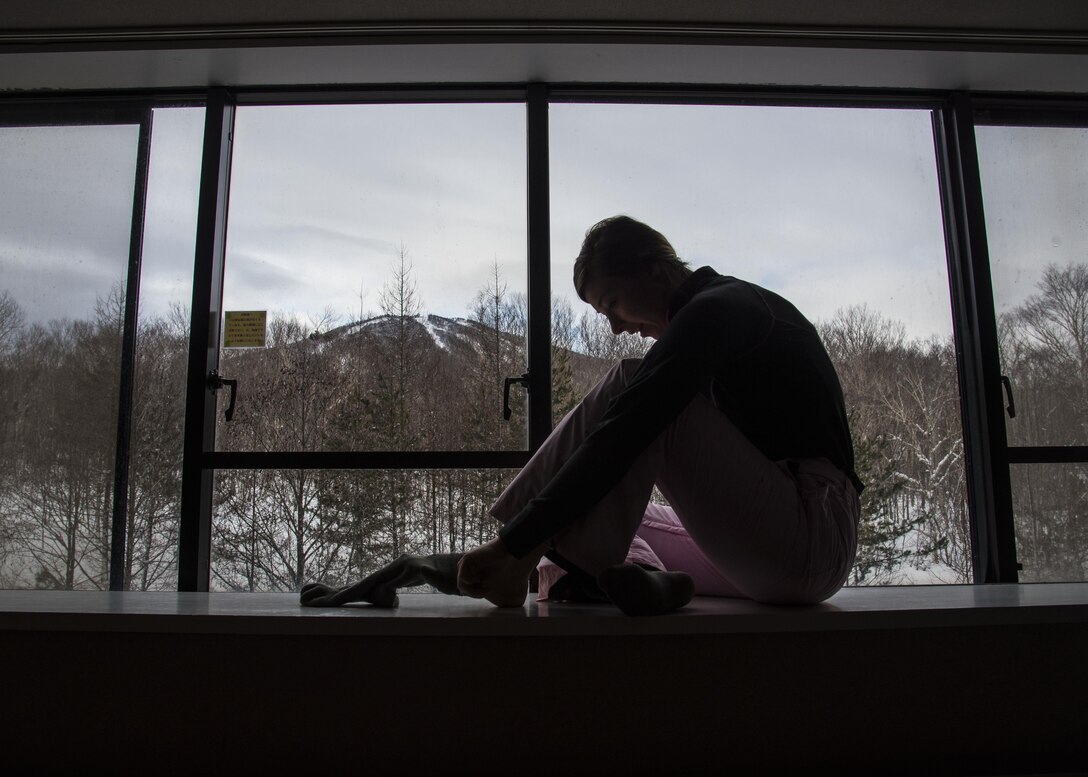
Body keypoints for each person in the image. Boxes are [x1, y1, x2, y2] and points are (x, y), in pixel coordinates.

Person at [301, 215, 862, 615]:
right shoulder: (715, 320)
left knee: (630, 385)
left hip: (811, 535)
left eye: (613, 303)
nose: (615, 325)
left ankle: (509, 562)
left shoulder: (720, 308)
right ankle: (653, 581)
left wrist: (516, 540)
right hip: (773, 555)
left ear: (654, 269)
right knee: (603, 517)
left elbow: (630, 427)